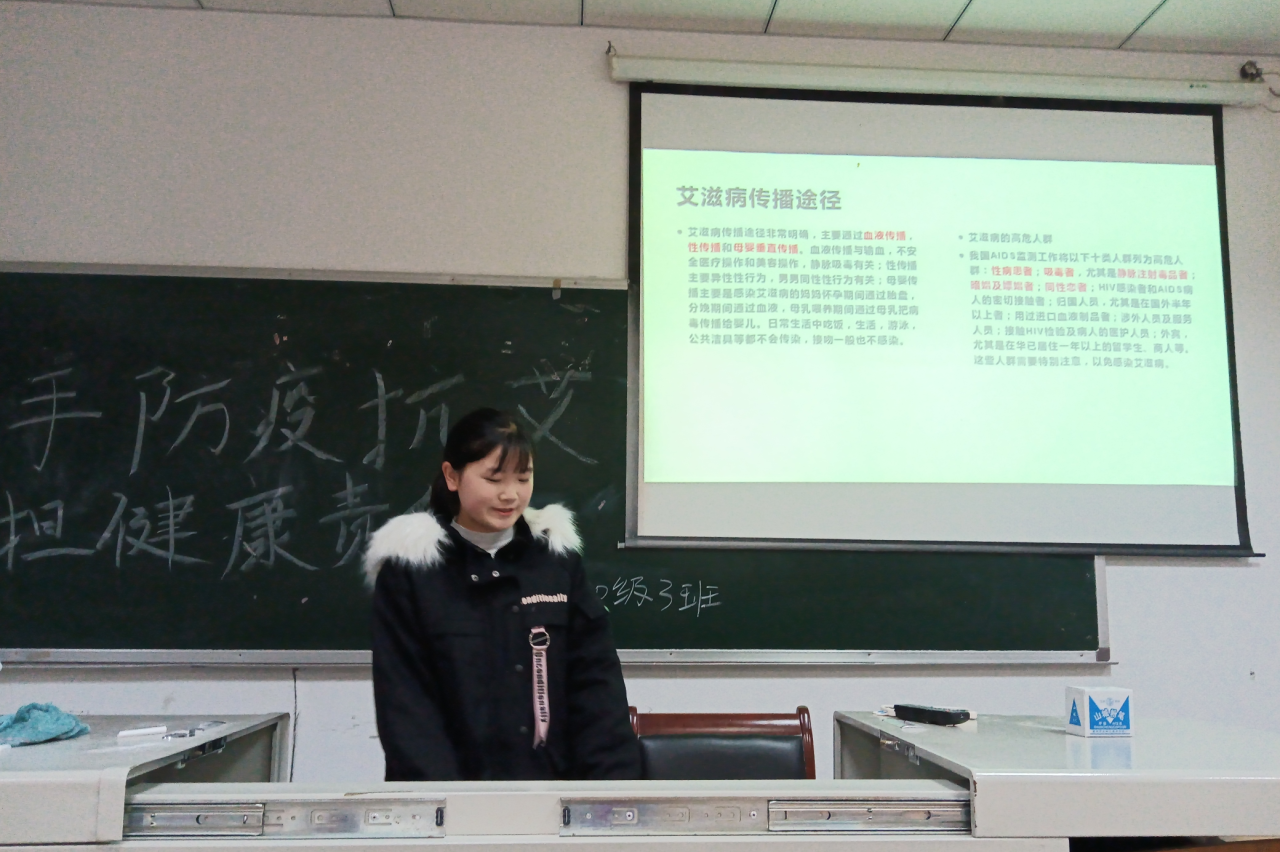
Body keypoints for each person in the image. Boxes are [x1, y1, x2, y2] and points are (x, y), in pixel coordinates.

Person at [363, 407, 641, 781]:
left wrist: (610, 794)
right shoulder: (412, 571)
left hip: (551, 790)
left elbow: (597, 684)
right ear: (452, 476)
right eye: (493, 479)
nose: (510, 495)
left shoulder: (555, 563)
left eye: (523, 478)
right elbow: (406, 705)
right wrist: (450, 804)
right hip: (449, 796)